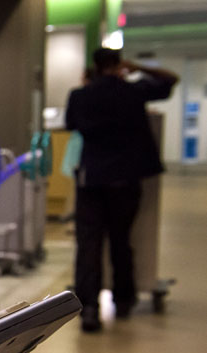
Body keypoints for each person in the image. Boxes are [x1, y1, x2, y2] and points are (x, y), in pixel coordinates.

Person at [65, 48, 177, 332]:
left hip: (91, 179)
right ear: (117, 65)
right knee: (121, 240)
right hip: (125, 180)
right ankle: (123, 299)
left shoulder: (80, 96)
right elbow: (170, 79)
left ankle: (89, 307)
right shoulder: (132, 91)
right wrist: (137, 67)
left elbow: (71, 125)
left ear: (94, 65)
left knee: (89, 244)